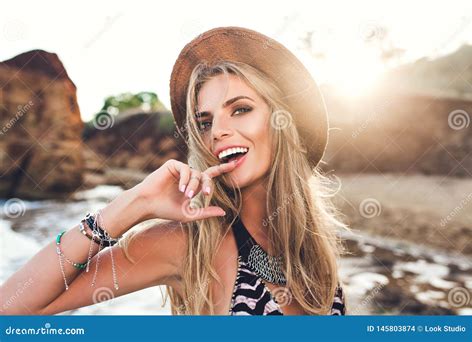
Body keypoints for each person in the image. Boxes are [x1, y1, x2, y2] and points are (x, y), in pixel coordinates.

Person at [0, 26, 348, 316]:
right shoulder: (190, 245)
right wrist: (134, 204)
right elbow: (10, 310)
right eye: (204, 121)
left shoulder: (317, 253)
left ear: (283, 123)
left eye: (240, 110)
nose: (217, 131)